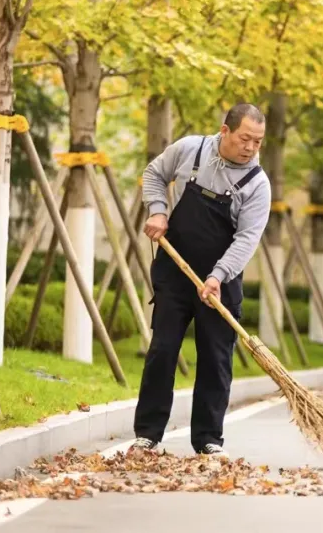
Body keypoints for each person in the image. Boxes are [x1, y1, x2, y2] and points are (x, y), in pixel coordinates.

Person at [130, 103, 271, 458]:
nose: (251, 148)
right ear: (225, 131)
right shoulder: (190, 149)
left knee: (215, 358)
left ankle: (208, 439)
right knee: (162, 350)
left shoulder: (258, 184)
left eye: (258, 142)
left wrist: (217, 277)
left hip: (220, 283)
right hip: (174, 273)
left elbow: (246, 239)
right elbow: (153, 174)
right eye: (245, 139)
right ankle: (148, 433)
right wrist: (158, 210)